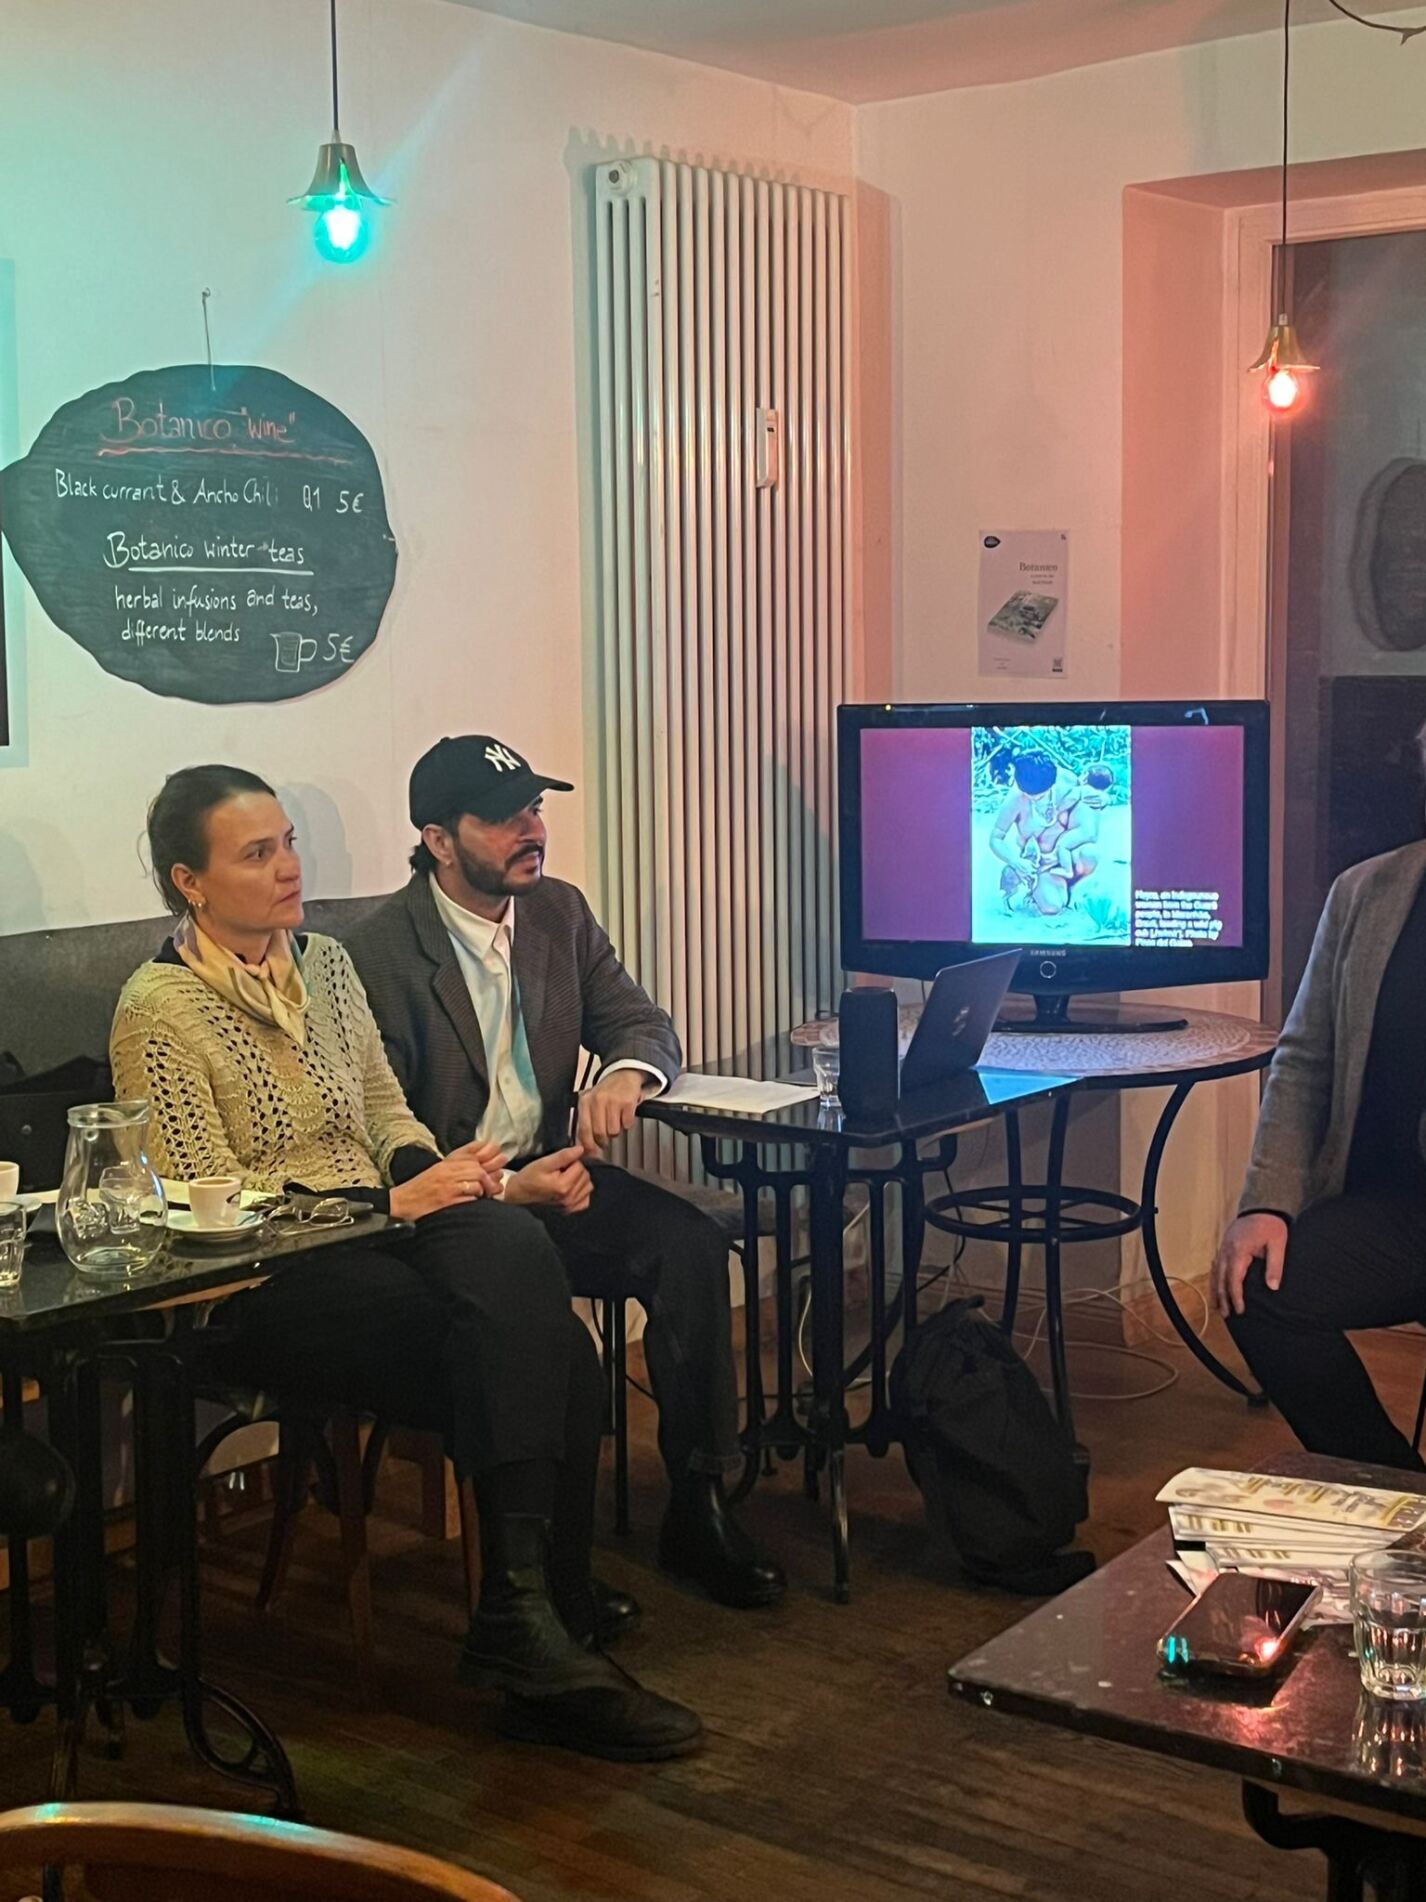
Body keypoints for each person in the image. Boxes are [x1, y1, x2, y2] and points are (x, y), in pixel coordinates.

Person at [109, 765, 701, 1761]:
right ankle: (535, 1620)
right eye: (257, 854)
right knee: (540, 1351)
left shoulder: (327, 966)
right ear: (190, 883)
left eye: (289, 842)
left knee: (521, 1264)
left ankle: (530, 1613)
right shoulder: (158, 1010)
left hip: (382, 1224)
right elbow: (202, 1207)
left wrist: (445, 1176)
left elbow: (384, 1110)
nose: (289, 868)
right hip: (269, 1281)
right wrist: (386, 1205)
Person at [345, 736, 786, 1611]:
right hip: (455, 1208)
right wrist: (505, 1189)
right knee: (548, 1326)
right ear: (439, 840)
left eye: (535, 810)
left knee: (692, 1247)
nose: (533, 831)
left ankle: (698, 1505)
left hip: (554, 1175)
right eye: (504, 818)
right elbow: (383, 1134)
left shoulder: (557, 912)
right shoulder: (378, 955)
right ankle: (551, 1568)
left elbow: (641, 1021)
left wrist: (626, 1074)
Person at [1213, 783, 1426, 1470]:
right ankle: (1395, 1494)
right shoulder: (1365, 892)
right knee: (1256, 1286)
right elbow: (1304, 1060)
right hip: (1395, 1215)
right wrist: (1266, 1204)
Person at [1045, 767, 1112, 884]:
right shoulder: (1096, 795)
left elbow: (1070, 799)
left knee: (1063, 845)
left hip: (1081, 831)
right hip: (1092, 834)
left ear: (1085, 776)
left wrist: (1057, 809)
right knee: (1066, 843)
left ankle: (1067, 870)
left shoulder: (1082, 790)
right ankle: (1056, 858)